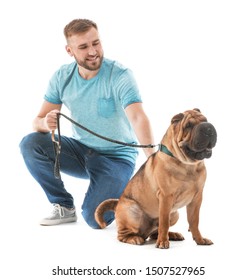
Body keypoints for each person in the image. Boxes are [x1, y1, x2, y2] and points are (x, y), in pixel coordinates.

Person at [19, 18, 155, 229]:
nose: (93, 51)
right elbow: (37, 122)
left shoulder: (120, 75)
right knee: (30, 143)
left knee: (95, 219)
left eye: (96, 43)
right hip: (81, 152)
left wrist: (152, 160)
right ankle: (63, 206)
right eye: (83, 47)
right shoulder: (62, 77)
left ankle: (124, 190)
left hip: (117, 159)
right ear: (69, 50)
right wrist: (46, 123)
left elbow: (138, 117)